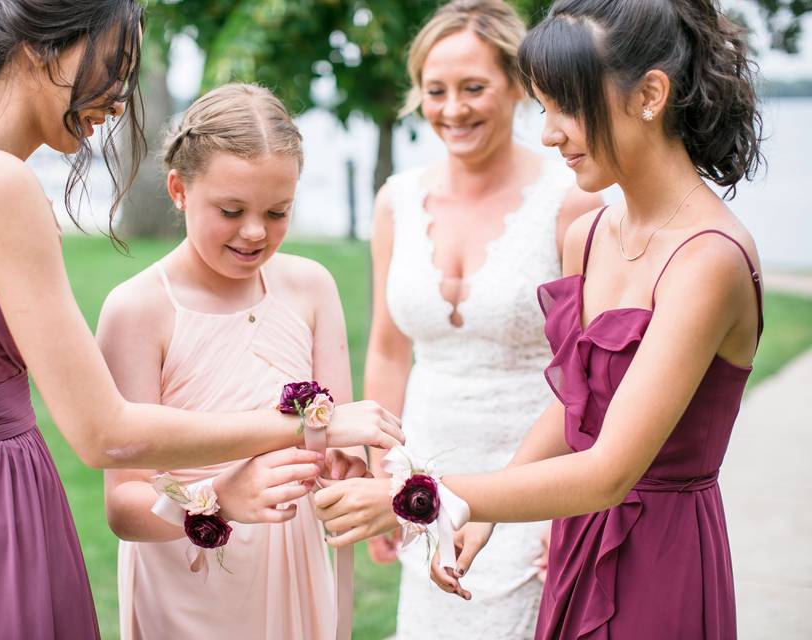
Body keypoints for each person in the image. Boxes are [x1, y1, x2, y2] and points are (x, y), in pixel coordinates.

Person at [0, 2, 401, 637]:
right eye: (114, 65)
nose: (119, 98)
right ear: (45, 46)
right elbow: (105, 434)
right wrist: (309, 422)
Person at [315, 0, 763, 638]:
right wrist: (491, 509)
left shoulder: (709, 260)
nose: (549, 133)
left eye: (566, 107)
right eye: (544, 107)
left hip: (660, 555)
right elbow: (576, 400)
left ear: (651, 95)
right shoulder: (592, 232)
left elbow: (610, 471)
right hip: (577, 527)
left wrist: (423, 496)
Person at [362, 1, 600, 637]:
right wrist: (379, 476)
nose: (453, 109)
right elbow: (388, 350)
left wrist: (565, 511)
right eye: (435, 90)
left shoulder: (570, 201)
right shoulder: (397, 202)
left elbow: (589, 374)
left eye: (474, 88)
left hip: (534, 485)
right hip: (425, 479)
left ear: (517, 88)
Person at [99, 83, 368, 640]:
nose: (254, 232)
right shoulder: (138, 310)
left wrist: (347, 463)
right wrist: (218, 500)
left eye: (277, 212)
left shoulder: (311, 288)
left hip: (290, 559)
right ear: (178, 190)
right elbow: (125, 504)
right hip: (186, 575)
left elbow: (337, 437)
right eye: (230, 210)